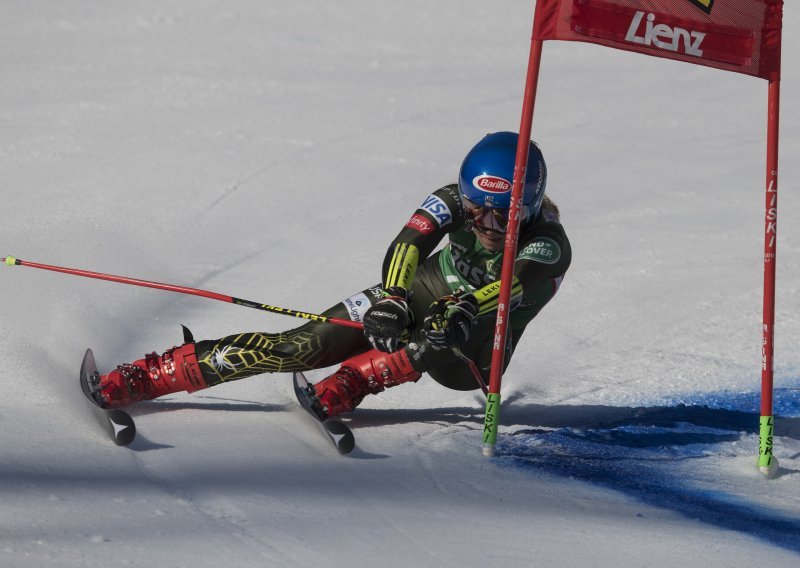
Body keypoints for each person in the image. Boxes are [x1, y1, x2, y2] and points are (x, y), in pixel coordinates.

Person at [93, 131, 571, 419]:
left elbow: (511, 286)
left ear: (530, 205)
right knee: (301, 346)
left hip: (479, 346)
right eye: (476, 212)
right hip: (429, 288)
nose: (487, 225)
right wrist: (392, 297)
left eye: (503, 216)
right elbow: (409, 242)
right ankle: (158, 374)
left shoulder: (548, 244)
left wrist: (466, 305)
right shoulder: (452, 197)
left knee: (446, 325)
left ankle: (360, 379)